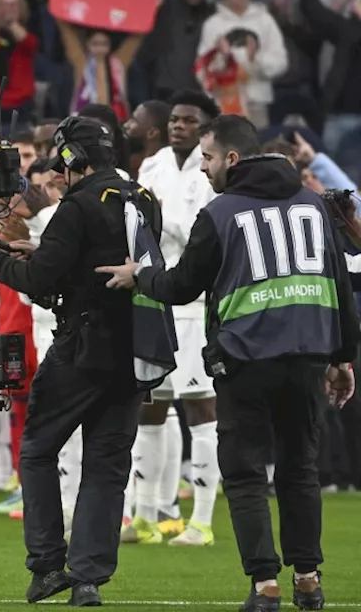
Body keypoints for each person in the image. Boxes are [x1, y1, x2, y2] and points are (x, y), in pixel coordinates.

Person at [96, 114, 359, 612]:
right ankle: (308, 580)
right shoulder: (313, 206)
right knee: (300, 471)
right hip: (308, 356)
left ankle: (265, 586)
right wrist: (344, 358)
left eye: (209, 158)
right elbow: (341, 287)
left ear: (233, 159)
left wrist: (140, 275)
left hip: (245, 358)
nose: (203, 169)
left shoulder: (220, 213)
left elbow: (180, 287)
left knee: (243, 475)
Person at [0, 117, 158, 606]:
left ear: (74, 159)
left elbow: (40, 282)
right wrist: (38, 250)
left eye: (63, 165)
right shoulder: (142, 198)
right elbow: (96, 260)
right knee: (107, 466)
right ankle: (89, 579)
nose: (59, 176)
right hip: (133, 349)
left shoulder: (76, 205)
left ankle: (48, 565)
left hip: (81, 346)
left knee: (37, 449)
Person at [124, 89, 222, 547]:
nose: (178, 126)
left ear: (206, 128)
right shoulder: (155, 163)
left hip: (195, 300)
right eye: (175, 120)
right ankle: (146, 516)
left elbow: (205, 230)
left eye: (188, 120)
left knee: (201, 407)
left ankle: (201, 521)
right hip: (154, 295)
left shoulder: (212, 167)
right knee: (151, 405)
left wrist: (166, 223)